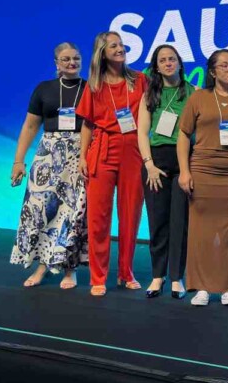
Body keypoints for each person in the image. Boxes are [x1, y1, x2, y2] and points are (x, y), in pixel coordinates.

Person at [176, 49, 228, 307]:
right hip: (202, 171)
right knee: (201, 233)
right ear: (212, 72)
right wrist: (184, 171)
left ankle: (227, 288)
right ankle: (202, 287)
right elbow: (183, 136)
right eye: (224, 66)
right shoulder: (199, 98)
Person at [10, 42, 88, 289]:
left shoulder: (90, 89)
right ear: (56, 63)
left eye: (76, 58)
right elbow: (30, 126)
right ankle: (42, 265)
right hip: (47, 158)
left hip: (79, 155)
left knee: (73, 213)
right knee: (41, 210)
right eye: (66, 59)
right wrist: (18, 161)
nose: (72, 62)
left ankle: (69, 269)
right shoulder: (44, 89)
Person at [76, 31, 146, 297]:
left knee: (130, 215)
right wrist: (83, 156)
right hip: (102, 151)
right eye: (113, 46)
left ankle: (126, 273)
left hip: (133, 151)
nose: (120, 49)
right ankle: (98, 276)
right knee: (98, 218)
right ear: (102, 53)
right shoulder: (94, 85)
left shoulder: (140, 80)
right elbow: (87, 124)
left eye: (121, 44)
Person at [137, 44, 194, 299]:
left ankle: (176, 277)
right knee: (158, 221)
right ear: (156, 66)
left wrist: (188, 169)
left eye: (172, 59)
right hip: (155, 162)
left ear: (180, 63)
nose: (168, 63)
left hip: (184, 160)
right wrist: (148, 164)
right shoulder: (150, 94)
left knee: (180, 222)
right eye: (163, 60)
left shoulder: (193, 92)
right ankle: (157, 276)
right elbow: (141, 132)